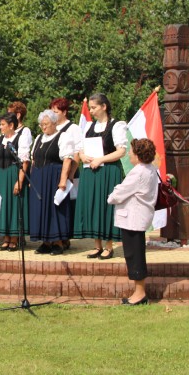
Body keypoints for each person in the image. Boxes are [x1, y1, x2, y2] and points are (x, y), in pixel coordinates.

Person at [73, 93, 127, 259]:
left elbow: (121, 151)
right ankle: (97, 245)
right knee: (92, 205)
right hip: (91, 171)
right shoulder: (89, 126)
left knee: (106, 206)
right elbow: (80, 148)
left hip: (108, 171)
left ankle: (109, 246)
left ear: (104, 106)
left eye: (94, 107)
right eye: (90, 108)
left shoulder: (116, 125)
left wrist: (101, 159)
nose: (91, 111)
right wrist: (83, 156)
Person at [107, 138, 159, 305]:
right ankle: (138, 292)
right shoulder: (150, 169)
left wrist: (111, 195)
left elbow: (119, 193)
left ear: (138, 154)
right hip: (138, 218)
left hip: (133, 219)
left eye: (131, 151)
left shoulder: (138, 172)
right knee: (136, 254)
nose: (128, 153)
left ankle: (140, 293)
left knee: (134, 256)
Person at [29, 110, 79, 255]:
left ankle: (58, 242)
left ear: (55, 123)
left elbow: (67, 160)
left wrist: (63, 180)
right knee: (40, 208)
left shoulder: (63, 137)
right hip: (38, 177)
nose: (43, 127)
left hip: (53, 177)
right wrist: (32, 178)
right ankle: (45, 242)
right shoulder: (39, 138)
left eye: (46, 124)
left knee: (55, 209)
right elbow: (34, 160)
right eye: (41, 125)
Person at [0, 113, 29, 251]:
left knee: (14, 206)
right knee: (2, 205)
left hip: (13, 173)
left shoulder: (21, 138)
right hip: (0, 174)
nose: (0, 127)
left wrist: (19, 181)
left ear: (11, 125)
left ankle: (14, 238)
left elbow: (24, 161)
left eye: (2, 124)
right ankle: (5, 238)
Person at [49, 97, 83, 249]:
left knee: (67, 204)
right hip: (53, 173)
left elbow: (77, 152)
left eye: (56, 112)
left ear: (64, 112)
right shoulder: (51, 127)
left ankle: (65, 237)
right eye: (52, 111)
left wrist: (71, 174)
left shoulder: (73, 128)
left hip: (69, 172)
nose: (53, 114)